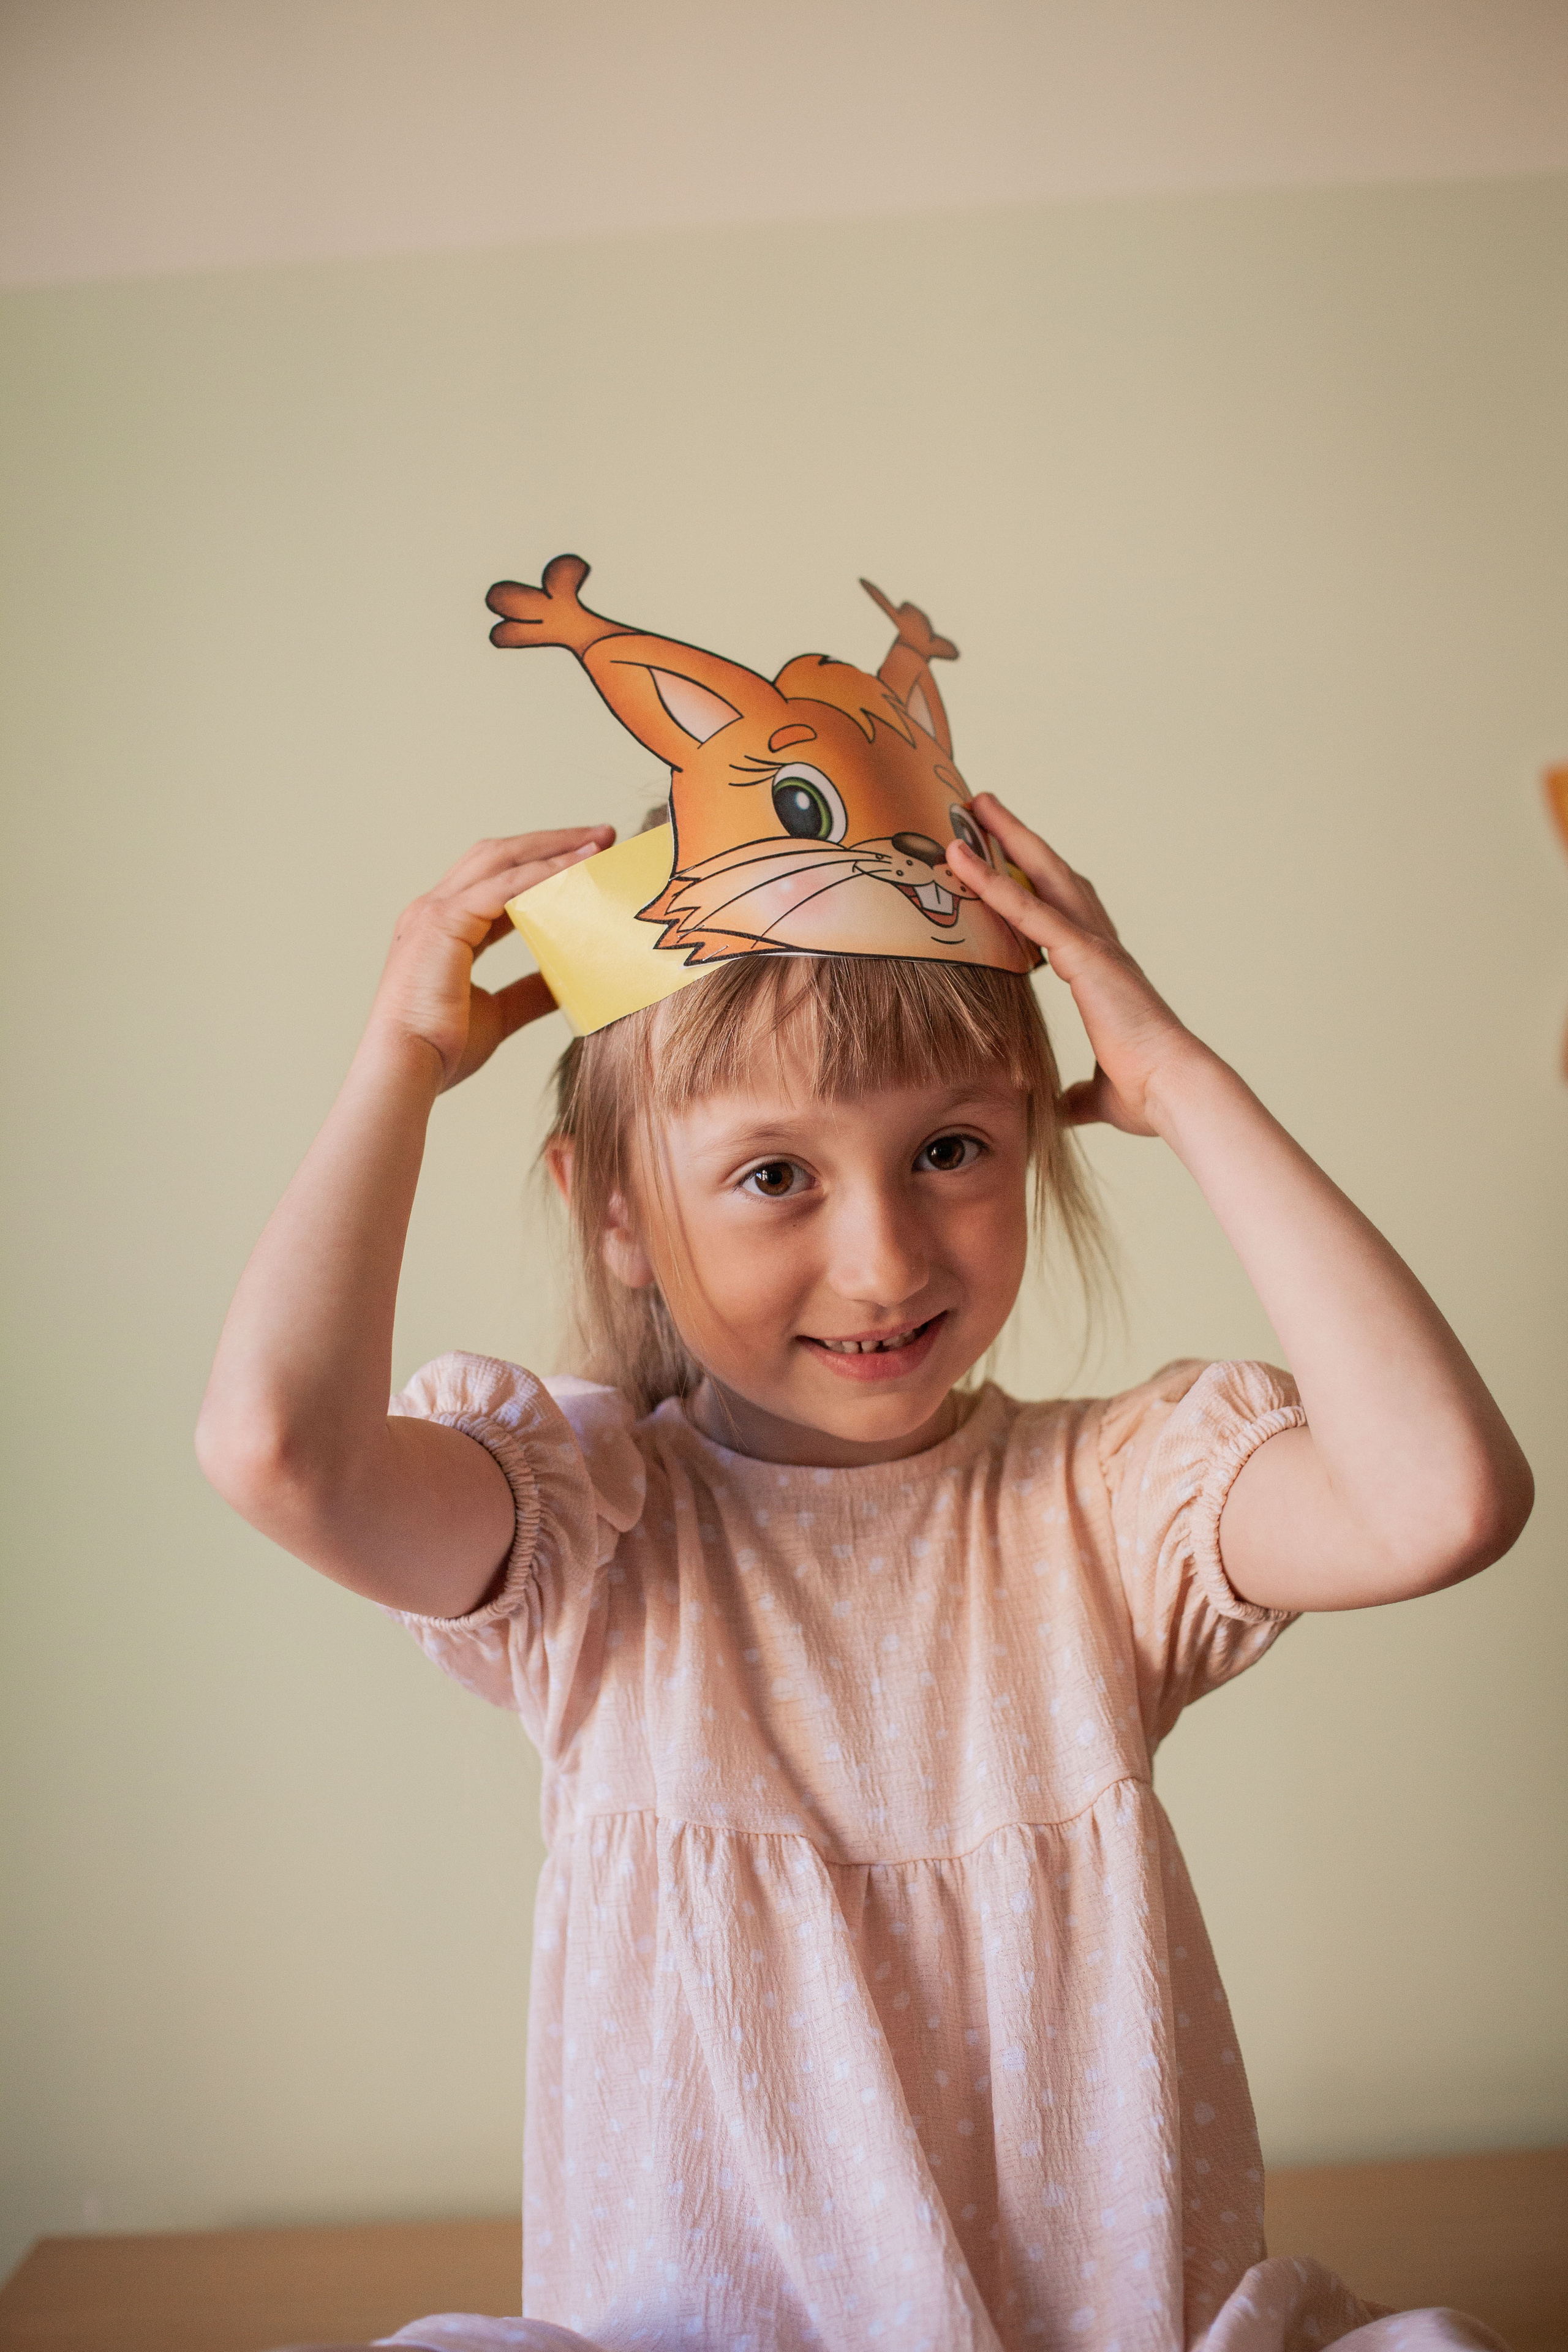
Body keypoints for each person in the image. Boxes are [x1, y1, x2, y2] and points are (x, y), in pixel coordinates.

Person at [198, 794, 1531, 2352]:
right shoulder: (585, 1531)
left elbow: (1441, 1497)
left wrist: (1176, 1077)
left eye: (949, 1149)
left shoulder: (1103, 1507)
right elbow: (281, 1450)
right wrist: (399, 1071)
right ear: (612, 1210)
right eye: (775, 1176)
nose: (886, 1261)